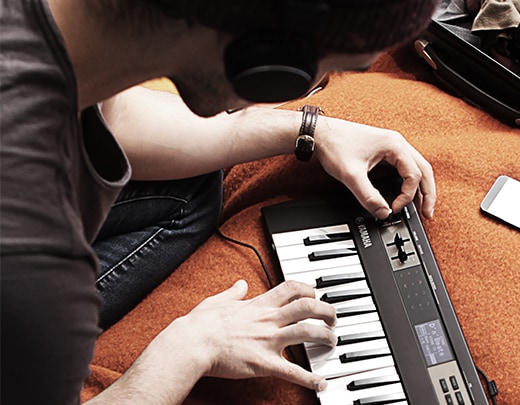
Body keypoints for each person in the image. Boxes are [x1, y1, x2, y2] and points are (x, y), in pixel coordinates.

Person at [0, 0, 440, 404]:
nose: (306, 86)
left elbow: (115, 117)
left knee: (194, 188)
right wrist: (192, 347)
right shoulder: (37, 262)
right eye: (309, 72)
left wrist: (312, 130)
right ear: (263, 50)